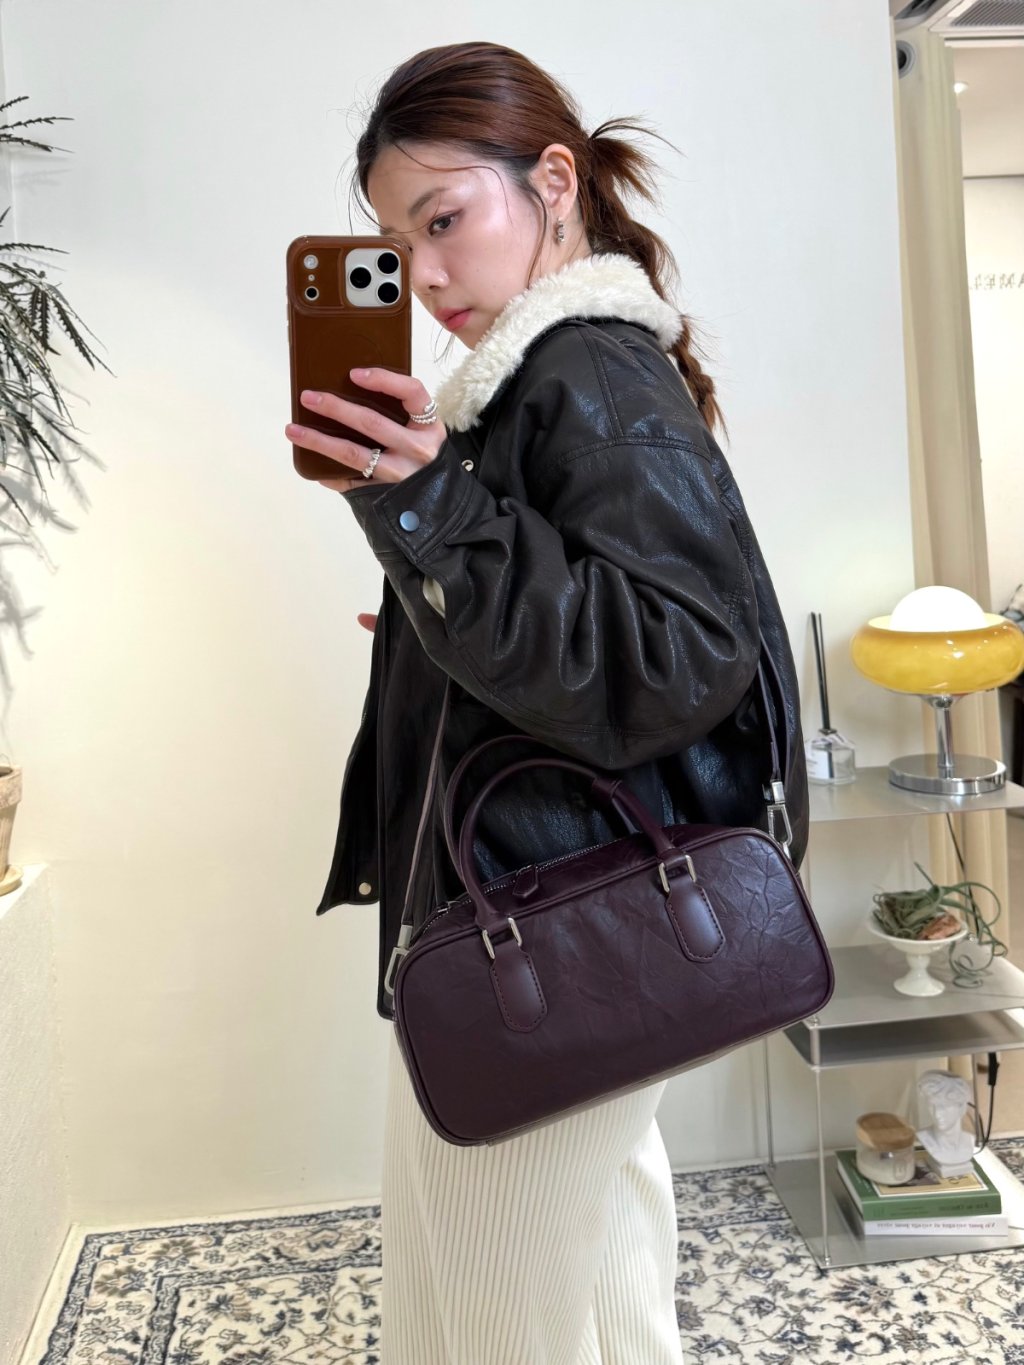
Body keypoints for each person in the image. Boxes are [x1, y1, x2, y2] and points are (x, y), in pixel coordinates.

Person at [289, 40, 808, 1365]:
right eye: (396, 244)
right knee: (604, 1292)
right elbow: (583, 622)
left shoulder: (586, 366)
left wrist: (428, 505)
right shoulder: (545, 376)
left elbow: (672, 660)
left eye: (443, 220)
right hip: (570, 929)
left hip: (544, 937)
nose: (425, 274)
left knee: (489, 1322)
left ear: (555, 184)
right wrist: (442, 636)